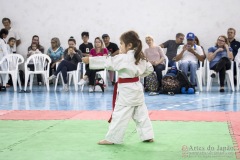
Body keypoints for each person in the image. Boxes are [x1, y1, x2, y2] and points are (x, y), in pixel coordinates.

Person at [82, 30, 154, 145]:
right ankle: (147, 135)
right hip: (137, 87)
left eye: (121, 43)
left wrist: (90, 60)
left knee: (120, 114)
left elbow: (107, 62)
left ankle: (112, 138)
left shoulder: (124, 58)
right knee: (141, 113)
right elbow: (150, 69)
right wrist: (137, 74)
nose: (120, 46)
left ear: (129, 45)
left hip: (127, 90)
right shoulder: (140, 57)